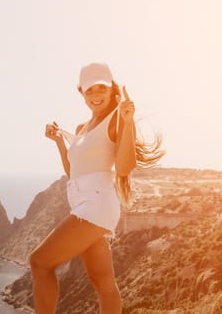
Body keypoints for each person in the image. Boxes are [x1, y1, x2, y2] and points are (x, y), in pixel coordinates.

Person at [30, 62, 164, 314]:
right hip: (84, 202)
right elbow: (73, 172)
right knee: (103, 282)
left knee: (39, 262)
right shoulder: (82, 128)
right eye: (89, 90)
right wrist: (59, 142)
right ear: (81, 92)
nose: (95, 95)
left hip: (97, 204)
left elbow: (124, 168)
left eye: (101, 88)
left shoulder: (117, 119)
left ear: (112, 89)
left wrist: (129, 121)